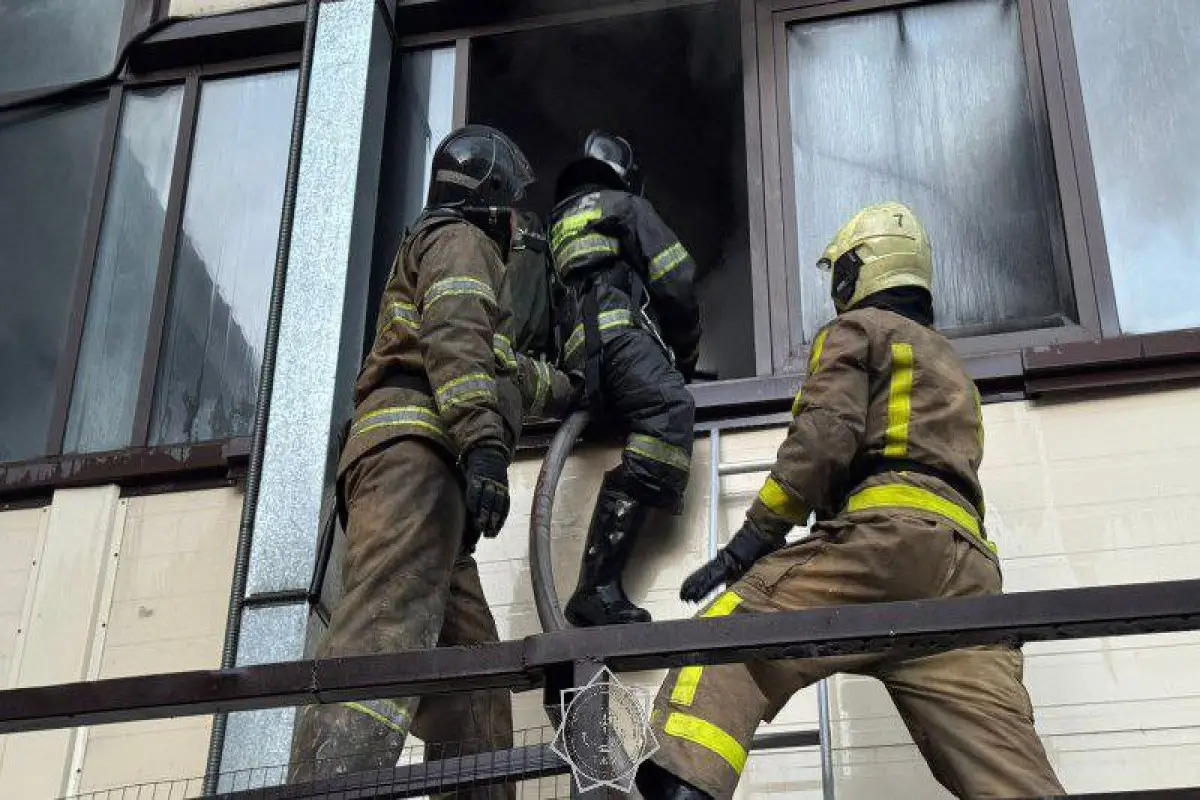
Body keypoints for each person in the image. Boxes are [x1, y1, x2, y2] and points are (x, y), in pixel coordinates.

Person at [635, 202, 1064, 800]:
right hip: (966, 576)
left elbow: (824, 437)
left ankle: (684, 787)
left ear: (858, 270)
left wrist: (750, 543)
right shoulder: (953, 370)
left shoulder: (859, 331)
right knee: (1007, 767)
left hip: (884, 548)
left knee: (721, 643)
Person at [288, 125, 577, 790]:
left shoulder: (454, 260)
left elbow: (499, 366)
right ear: (491, 199)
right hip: (413, 466)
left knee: (475, 677)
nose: (517, 225)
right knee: (382, 638)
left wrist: (573, 386)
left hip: (431, 495)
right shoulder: (458, 239)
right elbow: (456, 336)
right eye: (513, 208)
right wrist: (483, 446)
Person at [549, 130, 702, 628]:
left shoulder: (552, 228)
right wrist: (685, 356)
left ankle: (598, 587)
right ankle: (597, 586)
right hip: (618, 339)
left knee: (649, 413)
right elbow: (677, 280)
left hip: (580, 360)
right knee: (669, 411)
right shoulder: (624, 206)